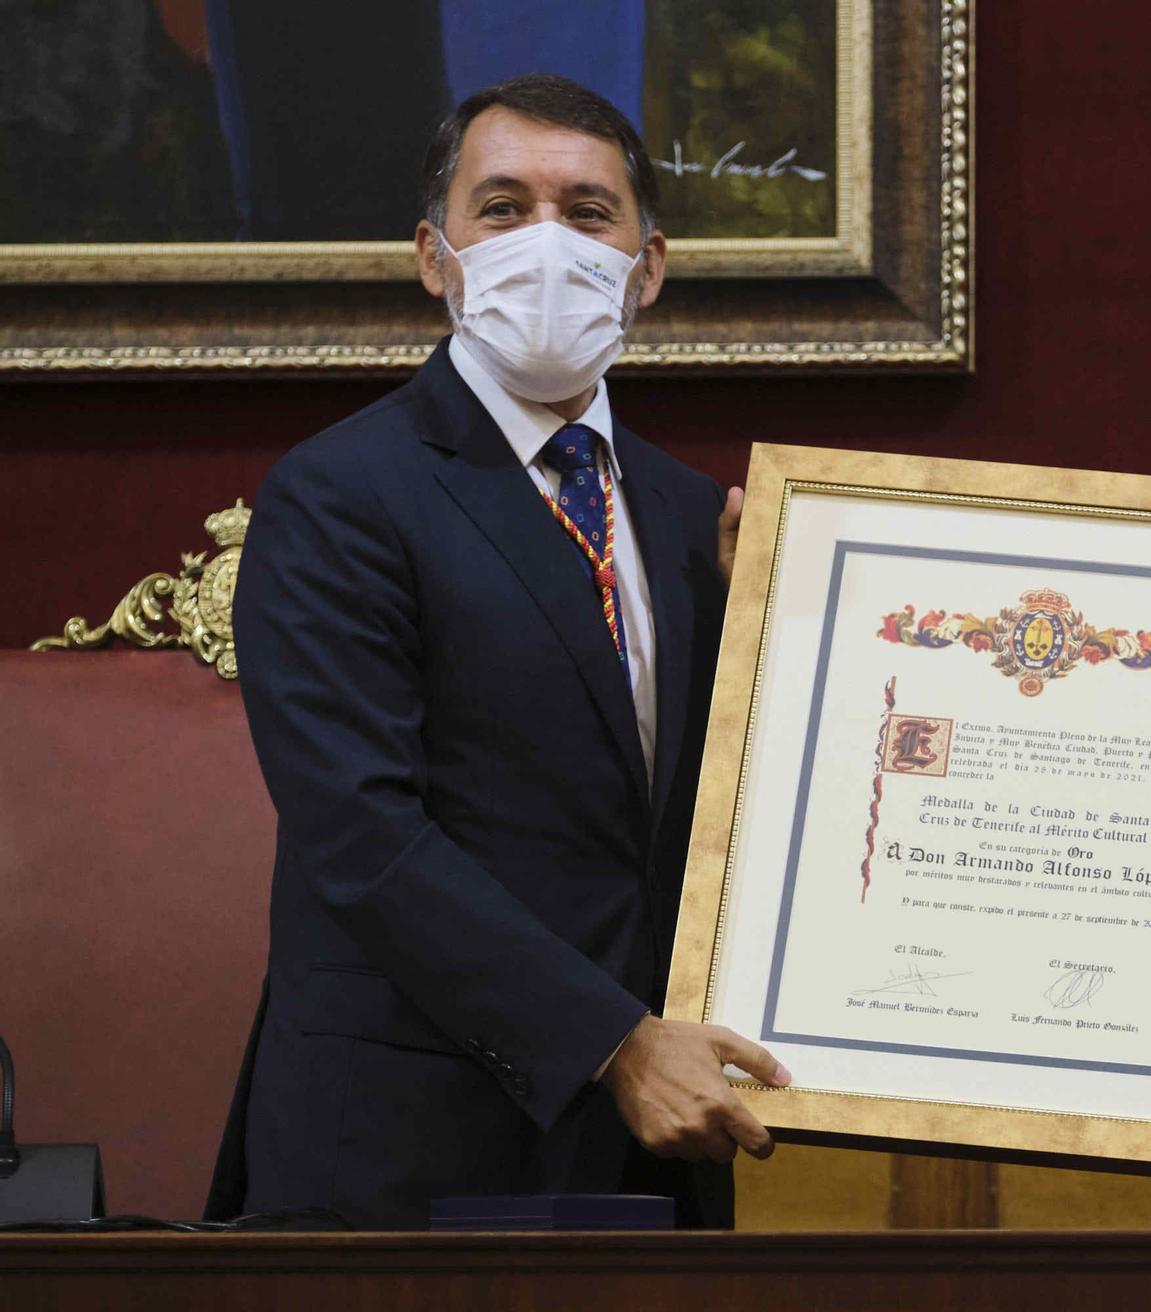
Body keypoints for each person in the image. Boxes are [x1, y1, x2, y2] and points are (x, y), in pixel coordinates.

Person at [207, 74, 788, 1229]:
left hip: (659, 1154)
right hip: (408, 1151)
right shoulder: (338, 495)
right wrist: (613, 1044)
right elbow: (363, 836)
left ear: (647, 267)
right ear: (437, 258)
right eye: (503, 207)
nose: (545, 243)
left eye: (585, 214)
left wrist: (767, 645)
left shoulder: (694, 521)